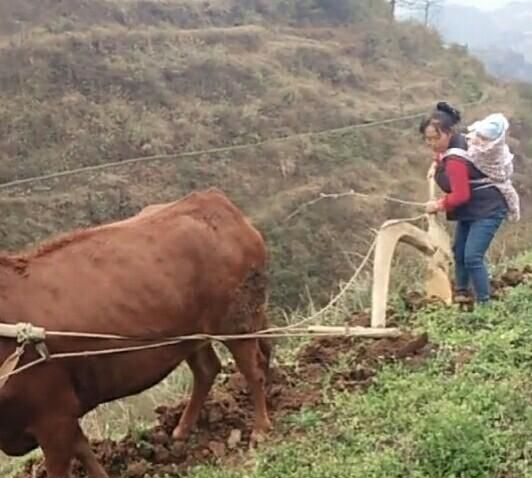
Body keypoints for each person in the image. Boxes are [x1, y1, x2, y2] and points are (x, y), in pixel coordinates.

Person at [420, 102, 513, 305]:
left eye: (436, 138)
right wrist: (436, 163)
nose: (432, 143)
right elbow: (441, 155)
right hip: (471, 210)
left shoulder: (455, 160)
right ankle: (461, 291)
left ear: (448, 132)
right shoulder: (458, 142)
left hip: (488, 209)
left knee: (472, 256)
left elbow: (461, 195)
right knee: (459, 251)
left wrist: (438, 205)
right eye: (427, 139)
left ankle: (484, 302)